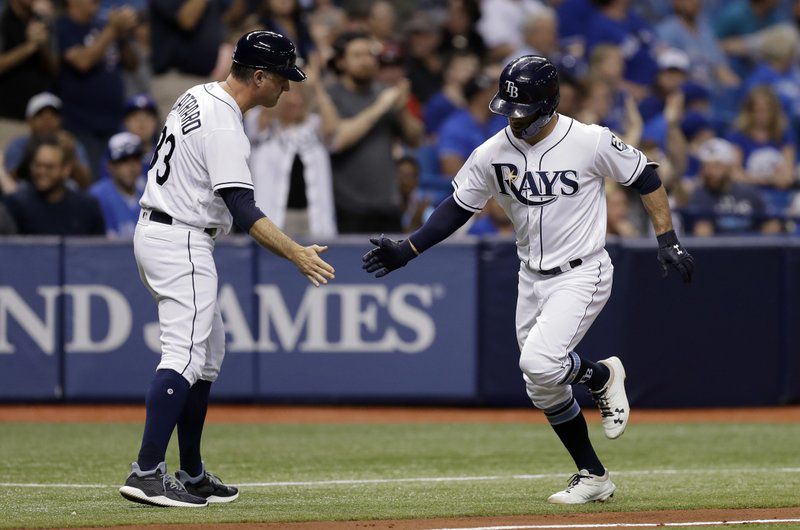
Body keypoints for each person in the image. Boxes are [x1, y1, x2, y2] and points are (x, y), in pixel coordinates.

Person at [362, 56, 694, 504]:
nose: (515, 122)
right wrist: (410, 248)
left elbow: (645, 176)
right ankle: (594, 476)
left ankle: (598, 376)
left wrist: (667, 238)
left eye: (525, 112)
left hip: (583, 271)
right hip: (530, 276)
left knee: (539, 363)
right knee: (541, 383)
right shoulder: (492, 151)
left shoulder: (589, 140)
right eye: (510, 111)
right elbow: (458, 206)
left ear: (551, 103)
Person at [119, 30, 335, 508]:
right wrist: (296, 252)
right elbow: (241, 207)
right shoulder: (223, 122)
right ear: (258, 76)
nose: (287, 87)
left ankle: (192, 473)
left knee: (209, 350)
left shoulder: (197, 95)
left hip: (163, 228)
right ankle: (147, 470)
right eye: (281, 77)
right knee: (185, 355)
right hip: (182, 236)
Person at [326, 31, 423, 234]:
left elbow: (415, 139)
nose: (366, 61)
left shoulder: (384, 93)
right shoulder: (331, 95)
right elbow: (338, 140)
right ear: (342, 62)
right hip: (347, 206)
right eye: (357, 55)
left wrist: (402, 107)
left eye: (369, 54)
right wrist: (382, 106)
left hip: (388, 204)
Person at [244, 68, 337, 237]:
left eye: (300, 96)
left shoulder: (314, 125)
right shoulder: (263, 124)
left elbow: (332, 129)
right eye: (289, 95)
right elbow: (264, 111)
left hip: (313, 216)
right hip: (272, 215)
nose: (295, 101)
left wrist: (317, 88)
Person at [56, 0, 138, 178]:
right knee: (93, 183)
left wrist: (122, 35)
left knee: (121, 183)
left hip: (114, 122)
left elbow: (132, 64)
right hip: (83, 126)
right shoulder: (64, 27)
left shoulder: (102, 26)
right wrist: (112, 30)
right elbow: (82, 62)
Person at [4, 138, 105, 235]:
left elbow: (98, 249)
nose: (41, 172)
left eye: (49, 167)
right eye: (37, 165)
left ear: (66, 170)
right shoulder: (16, 204)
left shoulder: (87, 207)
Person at [686, 137, 781, 234]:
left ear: (729, 167)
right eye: (707, 167)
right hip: (717, 247)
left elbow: (771, 223)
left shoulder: (749, 191)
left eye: (717, 166)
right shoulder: (699, 195)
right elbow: (702, 233)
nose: (711, 172)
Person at [3, 92, 92, 188]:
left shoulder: (71, 143)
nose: (47, 120)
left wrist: (69, 152)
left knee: (71, 186)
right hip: (26, 195)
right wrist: (31, 153)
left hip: (62, 196)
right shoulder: (18, 145)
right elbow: (9, 180)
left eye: (53, 115)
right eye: (40, 115)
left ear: (60, 120)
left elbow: (85, 183)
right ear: (30, 120)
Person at [437, 72, 507, 177]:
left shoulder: (501, 121)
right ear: (480, 96)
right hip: (473, 188)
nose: (499, 96)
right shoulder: (455, 126)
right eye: (492, 91)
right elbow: (451, 168)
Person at [0, 0, 58, 122]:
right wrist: (30, 46)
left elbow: (54, 69)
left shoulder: (41, 20)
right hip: (5, 115)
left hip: (37, 117)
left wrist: (43, 47)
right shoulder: (3, 19)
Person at [90, 132, 145, 238]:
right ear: (110, 166)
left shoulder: (150, 193)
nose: (132, 167)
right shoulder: (96, 197)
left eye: (136, 159)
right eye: (124, 161)